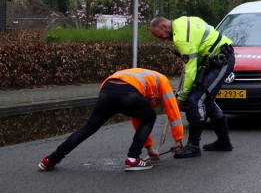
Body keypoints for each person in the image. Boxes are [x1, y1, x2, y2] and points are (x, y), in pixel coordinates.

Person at [38, 68, 184, 172]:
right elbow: (173, 110)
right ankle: (133, 159)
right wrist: (178, 139)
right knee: (150, 117)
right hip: (129, 93)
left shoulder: (141, 76)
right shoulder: (163, 81)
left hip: (107, 91)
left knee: (87, 128)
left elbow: (136, 116)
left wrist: (149, 148)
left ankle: (50, 160)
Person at [150, 15, 235, 157]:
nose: (163, 40)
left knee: (196, 100)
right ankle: (223, 142)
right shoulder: (182, 21)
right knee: (206, 100)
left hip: (221, 61)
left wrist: (180, 97)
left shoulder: (182, 37)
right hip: (214, 61)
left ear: (165, 26)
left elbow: (190, 70)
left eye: (161, 36)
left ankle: (193, 146)